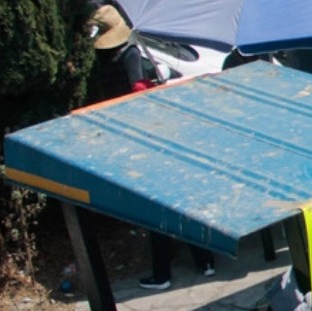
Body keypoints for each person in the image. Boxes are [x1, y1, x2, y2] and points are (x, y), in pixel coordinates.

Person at [88, 4, 216, 290]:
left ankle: (163, 273)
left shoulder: (104, 61)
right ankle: (204, 261)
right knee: (179, 198)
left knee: (155, 206)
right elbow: (139, 93)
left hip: (133, 139)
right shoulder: (131, 54)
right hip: (153, 132)